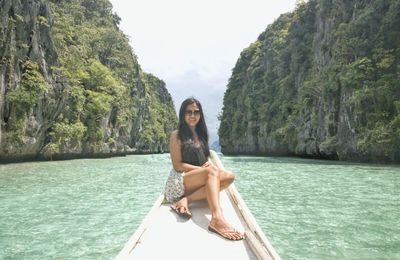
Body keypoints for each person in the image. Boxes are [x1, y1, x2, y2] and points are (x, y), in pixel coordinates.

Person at [164, 97, 244, 241]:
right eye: (189, 112)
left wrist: (208, 165)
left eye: (196, 112)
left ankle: (186, 200)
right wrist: (203, 170)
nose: (193, 115)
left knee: (229, 176)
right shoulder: (176, 135)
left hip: (198, 179)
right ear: (183, 114)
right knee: (212, 172)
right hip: (179, 180)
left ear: (200, 115)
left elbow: (205, 158)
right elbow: (177, 165)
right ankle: (217, 219)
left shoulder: (201, 136)